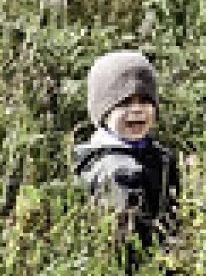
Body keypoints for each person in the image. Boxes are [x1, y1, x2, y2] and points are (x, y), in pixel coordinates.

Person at [73, 50, 178, 249]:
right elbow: (125, 239)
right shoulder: (113, 170)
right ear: (104, 112)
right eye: (125, 102)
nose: (137, 110)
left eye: (145, 101)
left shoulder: (160, 157)